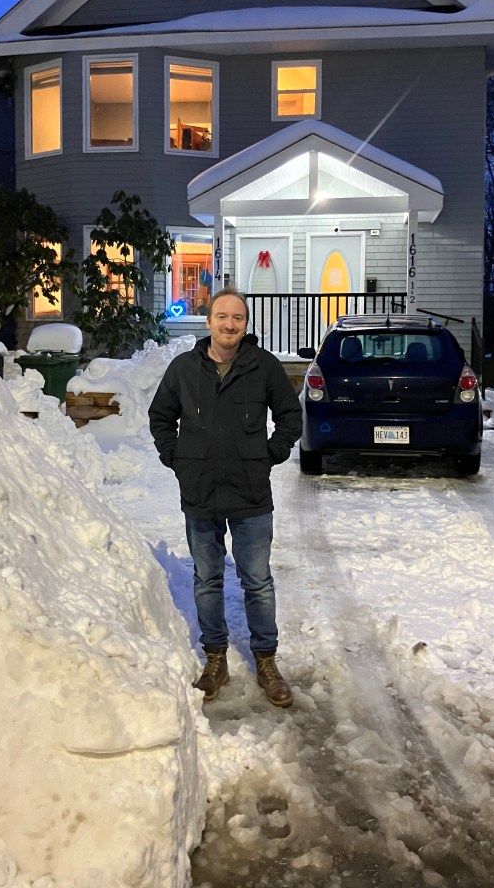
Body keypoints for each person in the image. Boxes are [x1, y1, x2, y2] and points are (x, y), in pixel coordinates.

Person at [148, 288, 302, 707]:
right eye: (222, 316)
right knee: (207, 579)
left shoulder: (264, 366)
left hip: (250, 491)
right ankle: (215, 658)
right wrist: (175, 457)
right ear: (209, 321)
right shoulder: (184, 368)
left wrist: (270, 453)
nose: (229, 324)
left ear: (245, 324)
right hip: (200, 489)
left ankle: (266, 661)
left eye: (237, 318)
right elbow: (160, 417)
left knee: (258, 581)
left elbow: (290, 416)